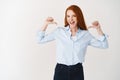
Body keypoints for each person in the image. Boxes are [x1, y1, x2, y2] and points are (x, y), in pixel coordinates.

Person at [37, 5, 108, 80]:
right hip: (61, 71)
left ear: (79, 17)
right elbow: (40, 40)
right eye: (68, 16)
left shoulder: (85, 35)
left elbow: (104, 45)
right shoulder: (59, 32)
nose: (70, 19)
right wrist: (45, 24)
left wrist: (99, 29)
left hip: (77, 71)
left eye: (74, 16)